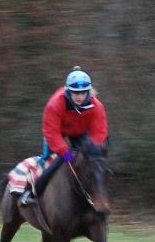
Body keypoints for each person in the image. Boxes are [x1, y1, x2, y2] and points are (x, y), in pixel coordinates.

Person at [20, 66, 108, 205]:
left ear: (88, 92)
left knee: (93, 160)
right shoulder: (55, 104)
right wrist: (66, 154)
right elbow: (51, 133)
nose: (79, 96)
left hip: (80, 133)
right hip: (57, 132)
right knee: (49, 158)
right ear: (68, 91)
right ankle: (30, 191)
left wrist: (91, 150)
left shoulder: (97, 106)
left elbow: (99, 132)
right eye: (75, 93)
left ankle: (95, 196)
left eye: (83, 93)